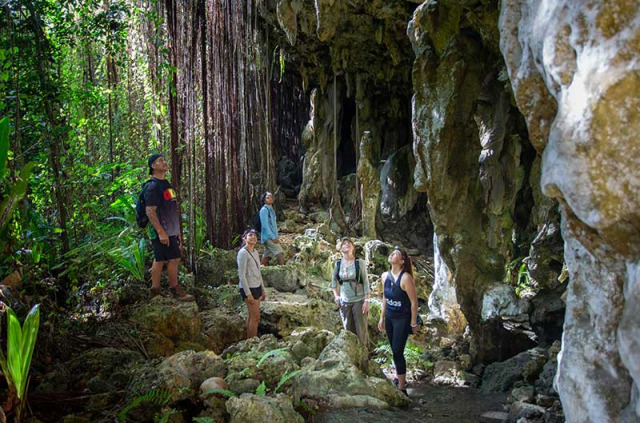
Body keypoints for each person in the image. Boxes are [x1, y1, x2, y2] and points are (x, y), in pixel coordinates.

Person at [145, 153, 194, 301]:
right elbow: (150, 210)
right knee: (161, 259)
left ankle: (169, 288)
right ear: (153, 166)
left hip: (171, 230)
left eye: (164, 160)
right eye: (160, 161)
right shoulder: (152, 186)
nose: (164, 162)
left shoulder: (166, 185)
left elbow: (172, 209)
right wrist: (161, 232)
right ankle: (159, 290)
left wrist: (177, 231)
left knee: (173, 258)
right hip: (160, 230)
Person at [377, 246, 419, 396]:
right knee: (394, 349)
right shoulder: (384, 276)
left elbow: (414, 302)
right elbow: (385, 298)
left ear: (402, 261)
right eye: (392, 253)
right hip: (390, 317)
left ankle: (402, 387)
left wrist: (413, 323)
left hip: (402, 318)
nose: (392, 254)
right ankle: (397, 376)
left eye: (396, 254)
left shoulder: (406, 278)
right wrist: (381, 318)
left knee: (397, 351)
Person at [331, 237, 370, 347]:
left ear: (353, 247)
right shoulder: (338, 264)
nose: (346, 244)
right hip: (344, 300)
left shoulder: (359, 263)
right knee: (348, 329)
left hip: (359, 300)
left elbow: (366, 282)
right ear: (340, 248)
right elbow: (334, 281)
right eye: (344, 243)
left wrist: (367, 300)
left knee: (361, 330)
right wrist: (336, 296)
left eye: (349, 243)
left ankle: (364, 355)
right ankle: (352, 353)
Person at [237, 228, 266, 338]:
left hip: (257, 286)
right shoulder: (243, 253)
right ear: (244, 238)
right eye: (250, 235)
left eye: (255, 235)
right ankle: (252, 342)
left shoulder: (255, 252)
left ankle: (249, 340)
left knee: (252, 316)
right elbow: (241, 275)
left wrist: (262, 289)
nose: (253, 237)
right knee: (255, 317)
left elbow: (258, 272)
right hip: (249, 288)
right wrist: (248, 293)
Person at [259, 191, 284, 265]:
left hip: (271, 235)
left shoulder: (271, 210)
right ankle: (284, 271)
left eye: (271, 197)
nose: (270, 198)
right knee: (279, 252)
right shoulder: (264, 210)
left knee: (267, 255)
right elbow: (265, 225)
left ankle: (260, 270)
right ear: (264, 200)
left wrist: (276, 236)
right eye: (267, 197)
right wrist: (273, 237)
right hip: (268, 236)